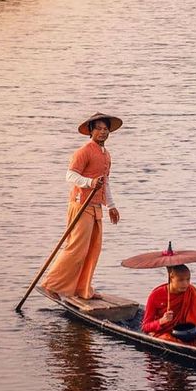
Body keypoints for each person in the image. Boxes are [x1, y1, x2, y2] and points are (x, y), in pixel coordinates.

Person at [42, 113, 122, 300]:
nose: (103, 132)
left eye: (106, 129)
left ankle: (82, 289)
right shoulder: (84, 151)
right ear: (91, 131)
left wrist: (111, 206)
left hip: (96, 207)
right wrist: (89, 182)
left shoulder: (106, 155)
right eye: (99, 129)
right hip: (80, 204)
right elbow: (70, 175)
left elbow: (105, 182)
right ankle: (52, 284)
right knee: (76, 247)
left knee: (93, 248)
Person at [142, 264, 196, 348]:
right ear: (171, 278)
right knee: (166, 339)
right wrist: (162, 321)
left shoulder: (191, 290)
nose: (185, 284)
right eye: (181, 280)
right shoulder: (156, 295)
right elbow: (145, 327)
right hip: (169, 334)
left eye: (188, 279)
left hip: (190, 333)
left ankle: (195, 346)